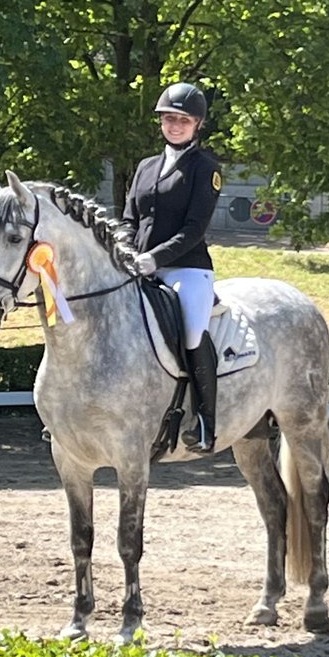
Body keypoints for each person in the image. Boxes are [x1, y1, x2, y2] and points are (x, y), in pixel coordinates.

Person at [123, 81, 223, 453]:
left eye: (183, 120)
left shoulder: (205, 168)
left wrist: (154, 258)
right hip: (139, 266)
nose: (174, 125)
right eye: (168, 118)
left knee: (193, 331)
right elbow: (129, 217)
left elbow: (195, 229)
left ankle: (205, 423)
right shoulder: (146, 167)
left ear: (197, 124)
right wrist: (125, 250)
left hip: (186, 269)